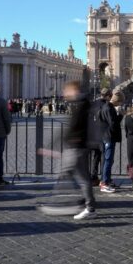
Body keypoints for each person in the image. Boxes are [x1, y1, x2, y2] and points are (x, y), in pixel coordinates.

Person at [59, 81, 97, 220]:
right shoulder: (80, 104)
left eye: (67, 90)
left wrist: (66, 139)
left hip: (77, 147)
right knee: (74, 175)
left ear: (74, 90)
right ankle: (84, 200)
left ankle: (89, 207)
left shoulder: (80, 105)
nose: (65, 93)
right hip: (77, 146)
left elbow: (74, 127)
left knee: (81, 178)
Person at [99, 92, 124, 193]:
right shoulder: (109, 108)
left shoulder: (106, 107)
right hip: (109, 137)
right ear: (117, 101)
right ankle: (104, 183)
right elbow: (113, 123)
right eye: (121, 101)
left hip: (106, 136)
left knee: (108, 160)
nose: (121, 104)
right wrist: (121, 115)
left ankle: (106, 180)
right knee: (108, 160)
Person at [87, 88, 112, 187]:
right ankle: (104, 178)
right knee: (104, 157)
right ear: (108, 95)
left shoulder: (93, 104)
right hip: (103, 134)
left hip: (93, 134)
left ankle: (93, 177)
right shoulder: (106, 105)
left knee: (96, 157)